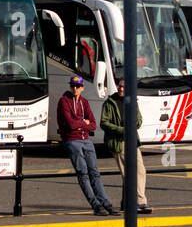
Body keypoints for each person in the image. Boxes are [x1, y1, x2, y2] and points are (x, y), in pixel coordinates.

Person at [57, 75, 118, 216]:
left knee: (95, 173)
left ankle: (106, 203)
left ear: (82, 88)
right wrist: (83, 123)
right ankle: (96, 205)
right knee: (83, 173)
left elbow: (94, 124)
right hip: (72, 140)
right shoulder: (64, 101)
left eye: (77, 86)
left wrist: (81, 124)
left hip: (86, 140)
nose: (75, 88)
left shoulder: (84, 102)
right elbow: (71, 124)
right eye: (72, 85)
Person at [102, 78, 151, 214]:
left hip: (133, 141)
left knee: (140, 170)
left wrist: (134, 124)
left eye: (124, 87)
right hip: (119, 142)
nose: (121, 89)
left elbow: (139, 120)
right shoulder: (110, 103)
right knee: (128, 174)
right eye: (120, 86)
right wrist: (122, 130)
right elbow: (104, 123)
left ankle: (133, 202)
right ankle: (136, 202)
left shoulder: (132, 102)